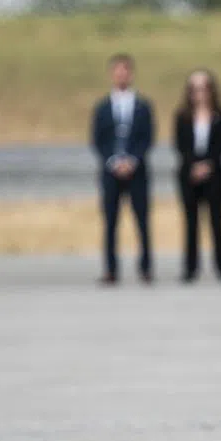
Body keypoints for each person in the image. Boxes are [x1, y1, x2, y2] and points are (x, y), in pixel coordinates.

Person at [90, 53, 155, 285]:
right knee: (110, 221)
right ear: (111, 74)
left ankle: (145, 267)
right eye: (117, 71)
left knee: (142, 220)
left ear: (131, 73)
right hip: (111, 172)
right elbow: (98, 139)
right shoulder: (102, 107)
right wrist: (113, 161)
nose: (121, 75)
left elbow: (147, 137)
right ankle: (111, 269)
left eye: (125, 70)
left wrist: (132, 160)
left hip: (137, 172)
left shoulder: (143, 106)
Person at [173, 69, 221, 283]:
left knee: (217, 220)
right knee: (191, 221)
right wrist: (193, 166)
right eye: (195, 89)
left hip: (214, 172)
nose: (200, 93)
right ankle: (190, 267)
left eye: (204, 88)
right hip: (189, 173)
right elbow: (180, 145)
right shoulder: (182, 116)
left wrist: (208, 164)